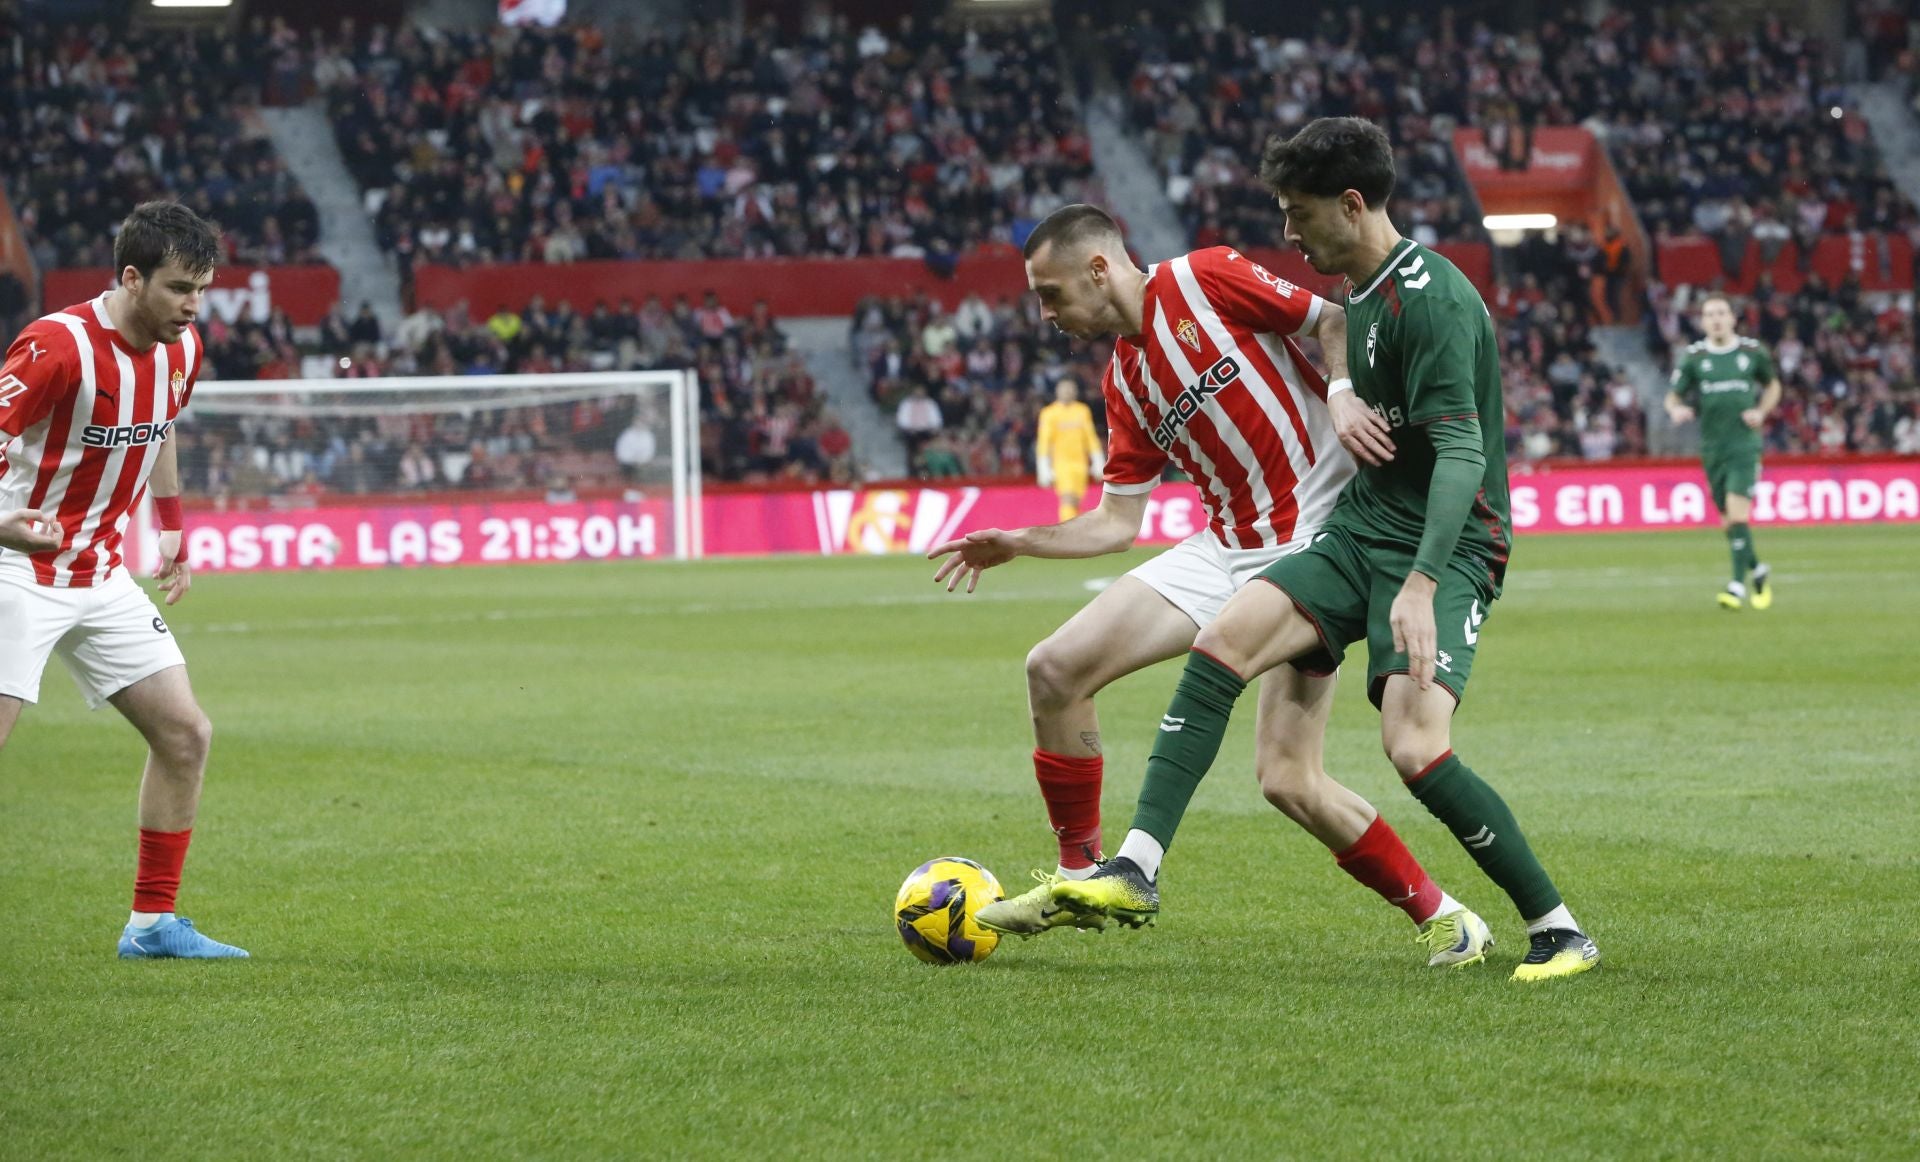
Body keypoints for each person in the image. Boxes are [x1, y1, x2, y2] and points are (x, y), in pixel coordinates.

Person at [1038, 120, 1599, 983]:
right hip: (1358, 529)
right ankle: (1136, 868)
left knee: (1412, 749)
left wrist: (1418, 584)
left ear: (1350, 203)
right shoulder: (1363, 295)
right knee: (1225, 640)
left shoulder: (1435, 300)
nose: (1290, 236)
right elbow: (1333, 352)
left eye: (1299, 216)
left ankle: (1559, 929)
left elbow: (1461, 454)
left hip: (1447, 548)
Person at [927, 203, 1494, 969]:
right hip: (1225, 545)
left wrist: (1338, 395)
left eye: (1050, 293)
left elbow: (1331, 321)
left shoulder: (1205, 277)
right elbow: (1117, 522)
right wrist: (1018, 542)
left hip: (1318, 539)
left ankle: (1445, 915)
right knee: (1054, 670)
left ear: (1100, 269)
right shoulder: (1124, 377)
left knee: (1288, 778)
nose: (1045, 313)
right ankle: (1079, 875)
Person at [0, 201, 247, 959]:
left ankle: (151, 925)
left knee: (185, 734)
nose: (192, 306)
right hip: (14, 566)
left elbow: (160, 425)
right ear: (131, 277)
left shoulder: (182, 349)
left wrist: (169, 523)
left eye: (201, 289)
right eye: (179, 288)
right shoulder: (56, 347)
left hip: (99, 569)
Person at [1663, 294, 1781, 610]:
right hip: (1712, 448)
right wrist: (1676, 410)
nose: (1716, 318)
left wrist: (1761, 411)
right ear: (1702, 322)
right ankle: (1757, 569)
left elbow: (1772, 386)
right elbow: (1672, 397)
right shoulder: (1694, 357)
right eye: (1709, 314)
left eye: (1721, 313)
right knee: (1729, 522)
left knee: (1738, 513)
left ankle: (1736, 587)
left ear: (1732, 318)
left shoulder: (1752, 353)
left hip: (1744, 445)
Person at [1034, 377, 1102, 521]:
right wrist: (1043, 468)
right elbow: (1044, 442)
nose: (1067, 392)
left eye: (1070, 389)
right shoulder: (1049, 413)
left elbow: (1090, 438)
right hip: (1061, 464)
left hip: (1080, 464)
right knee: (1067, 498)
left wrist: (1097, 461)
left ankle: (1074, 535)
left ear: (1075, 392)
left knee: (1076, 501)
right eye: (1064, 389)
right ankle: (1066, 535)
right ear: (1057, 391)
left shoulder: (1082, 411)